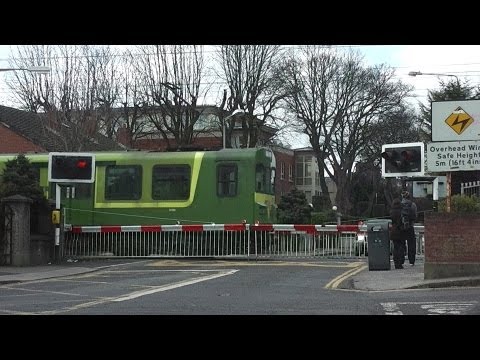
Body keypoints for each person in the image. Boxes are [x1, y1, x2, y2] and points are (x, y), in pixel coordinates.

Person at [401, 190, 417, 266]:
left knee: (401, 243)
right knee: (411, 244)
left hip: (402, 227)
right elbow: (415, 215)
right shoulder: (413, 204)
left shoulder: (400, 205)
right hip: (410, 226)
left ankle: (401, 259)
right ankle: (411, 261)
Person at [390, 197, 406, 269]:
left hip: (393, 231)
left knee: (395, 247)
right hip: (400, 231)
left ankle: (396, 262)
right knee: (401, 247)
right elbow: (402, 221)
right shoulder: (401, 211)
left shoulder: (391, 211)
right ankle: (400, 263)